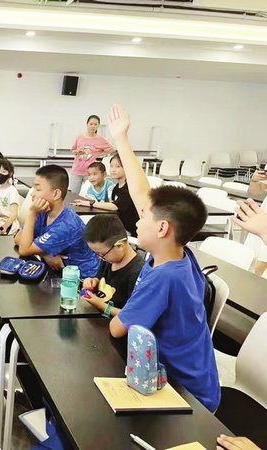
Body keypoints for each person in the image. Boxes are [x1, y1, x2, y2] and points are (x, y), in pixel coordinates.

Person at [105, 104, 220, 413]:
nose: (138, 219)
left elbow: (117, 328)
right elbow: (142, 194)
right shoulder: (178, 253)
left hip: (185, 394)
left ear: (162, 228)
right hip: (194, 380)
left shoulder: (164, 276)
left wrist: (110, 310)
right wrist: (121, 139)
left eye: (144, 217)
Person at [14, 164, 100, 277]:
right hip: (58, 271)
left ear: (56, 194)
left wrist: (31, 214)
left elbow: (24, 249)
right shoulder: (43, 211)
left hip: (81, 279)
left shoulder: (66, 225)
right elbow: (18, 238)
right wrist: (46, 254)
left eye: (38, 189)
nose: (33, 193)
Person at [81, 214, 145, 315]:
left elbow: (132, 315)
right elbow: (99, 278)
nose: (100, 257)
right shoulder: (110, 259)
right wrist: (92, 281)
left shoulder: (137, 273)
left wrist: (101, 305)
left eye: (101, 254)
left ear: (119, 246)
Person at [76, 154, 139, 237]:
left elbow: (114, 206)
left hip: (129, 230)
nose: (113, 170)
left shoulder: (129, 187)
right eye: (111, 166)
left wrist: (90, 203)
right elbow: (111, 204)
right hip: (117, 225)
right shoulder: (116, 187)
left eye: (118, 166)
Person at [70, 115, 114, 194]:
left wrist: (98, 153)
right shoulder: (80, 137)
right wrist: (78, 152)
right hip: (77, 170)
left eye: (95, 124)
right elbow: (73, 150)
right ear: (87, 124)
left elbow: (112, 149)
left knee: (89, 194)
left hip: (91, 173)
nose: (93, 126)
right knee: (74, 194)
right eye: (91, 124)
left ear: (98, 126)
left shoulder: (100, 139)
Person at [0, 159, 21, 235]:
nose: (0, 174)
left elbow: (14, 214)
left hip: (9, 224)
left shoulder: (12, 190)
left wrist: (4, 227)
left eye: (4, 171)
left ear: (10, 173)